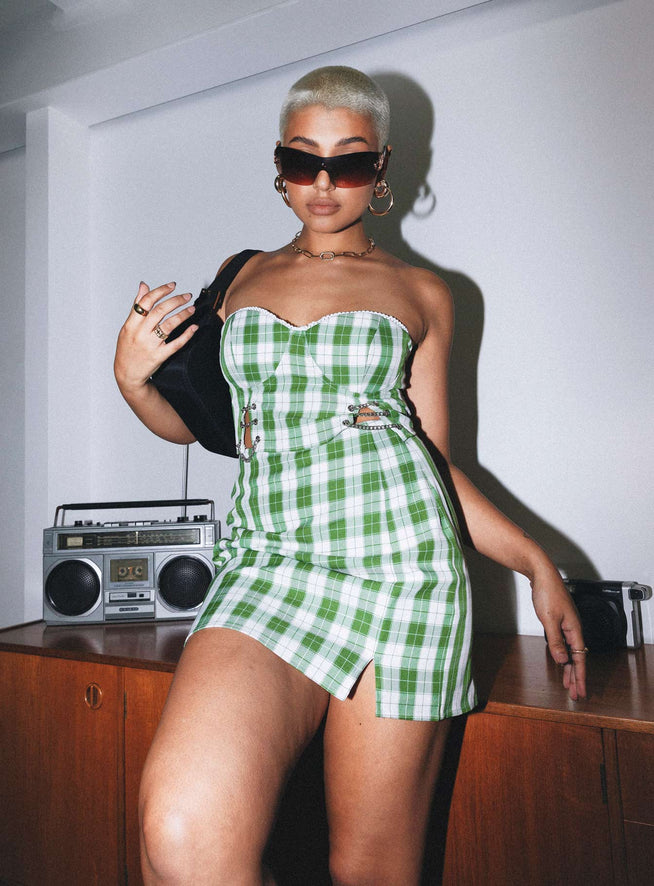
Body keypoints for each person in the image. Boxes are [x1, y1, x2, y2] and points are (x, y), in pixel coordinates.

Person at [114, 66, 587, 886]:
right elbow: (207, 427)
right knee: (181, 832)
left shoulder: (423, 292)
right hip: (269, 564)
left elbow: (435, 461)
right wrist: (132, 383)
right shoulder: (241, 273)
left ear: (383, 168)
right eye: (303, 161)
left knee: (371, 869)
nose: (325, 183)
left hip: (404, 572)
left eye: (352, 162)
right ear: (279, 165)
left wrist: (536, 563)